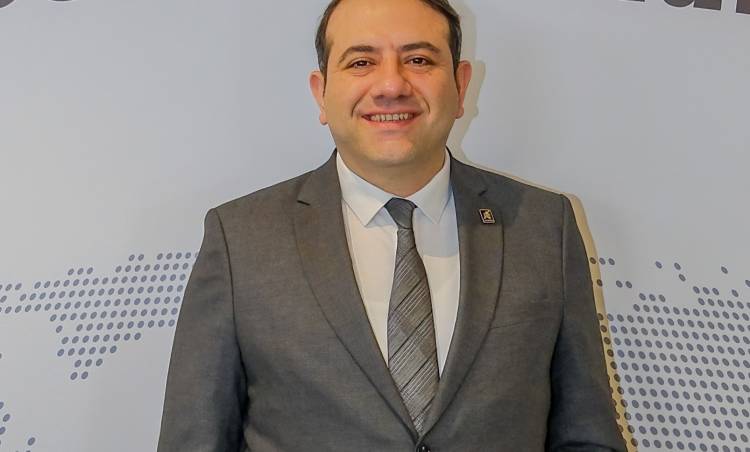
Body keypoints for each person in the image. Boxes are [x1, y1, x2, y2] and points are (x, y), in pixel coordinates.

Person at [157, 0, 627, 450]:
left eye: (419, 60)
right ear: (321, 92)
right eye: (361, 62)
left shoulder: (544, 228)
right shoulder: (241, 240)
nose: (391, 85)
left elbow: (587, 438)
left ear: (461, 85)